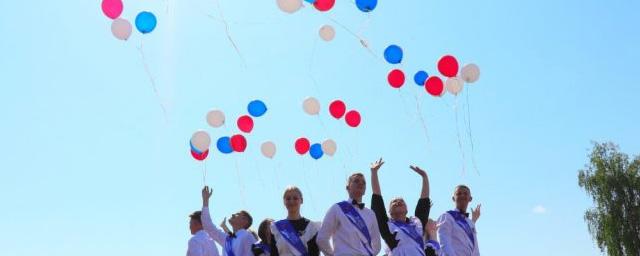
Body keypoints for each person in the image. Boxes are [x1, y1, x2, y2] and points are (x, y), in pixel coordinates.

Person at [369, 158, 432, 256]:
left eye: (402, 201)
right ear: (389, 211)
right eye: (394, 202)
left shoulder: (417, 224)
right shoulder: (387, 226)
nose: (398, 202)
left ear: (407, 210)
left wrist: (424, 177)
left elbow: (423, 202)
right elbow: (378, 201)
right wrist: (374, 173)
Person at [317, 173, 381, 256]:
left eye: (363, 182)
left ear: (365, 190)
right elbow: (322, 238)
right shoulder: (337, 208)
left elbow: (377, 245)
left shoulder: (370, 214)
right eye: (356, 181)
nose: (360, 183)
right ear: (348, 187)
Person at [201, 186, 257, 256]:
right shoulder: (226, 239)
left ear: (245, 221)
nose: (233, 214)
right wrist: (205, 201)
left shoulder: (248, 236)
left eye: (238, 214)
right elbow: (208, 226)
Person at [270, 186, 321, 256]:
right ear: (284, 201)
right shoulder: (276, 228)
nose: (291, 201)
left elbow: (314, 253)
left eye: (295, 198)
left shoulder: (312, 227)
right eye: (288, 199)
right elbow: (274, 253)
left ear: (301, 200)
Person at [437, 185, 481, 256]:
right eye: (459, 193)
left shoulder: (470, 223)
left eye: (465, 193)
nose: (462, 195)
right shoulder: (447, 217)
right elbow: (444, 243)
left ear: (470, 198)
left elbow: (475, 248)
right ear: (453, 198)